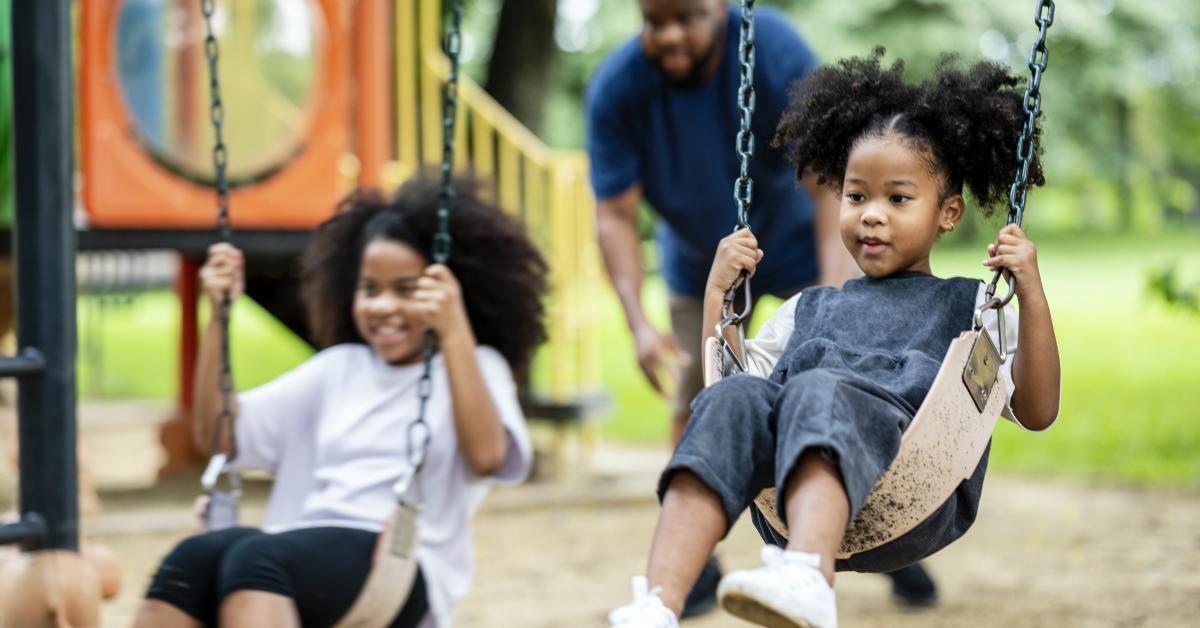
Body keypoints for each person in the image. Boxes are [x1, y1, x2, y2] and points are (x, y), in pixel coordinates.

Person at [607, 52, 1062, 628]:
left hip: (911, 488)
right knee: (726, 401)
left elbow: (1037, 409)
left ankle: (807, 577)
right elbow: (734, 382)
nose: (871, 215)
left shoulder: (972, 307)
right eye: (855, 196)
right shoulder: (808, 308)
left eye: (897, 198)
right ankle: (659, 602)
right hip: (788, 496)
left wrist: (1030, 292)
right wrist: (715, 297)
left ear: (948, 214)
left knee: (819, 388)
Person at [586, 0, 936, 613]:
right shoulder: (619, 88)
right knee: (702, 394)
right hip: (702, 259)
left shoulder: (770, 47)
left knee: (841, 383)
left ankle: (889, 544)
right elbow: (614, 215)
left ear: (720, 7)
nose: (668, 36)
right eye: (653, 21)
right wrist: (638, 324)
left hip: (801, 241)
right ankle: (689, 572)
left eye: (686, 18)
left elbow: (830, 180)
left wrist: (837, 291)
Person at [132, 177, 548, 628]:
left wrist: (454, 328)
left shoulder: (474, 365)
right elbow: (218, 434)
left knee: (256, 561)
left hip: (402, 563)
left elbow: (487, 457)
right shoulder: (338, 369)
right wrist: (219, 313)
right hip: (300, 549)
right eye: (370, 289)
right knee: (192, 559)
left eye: (406, 290)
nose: (383, 306)